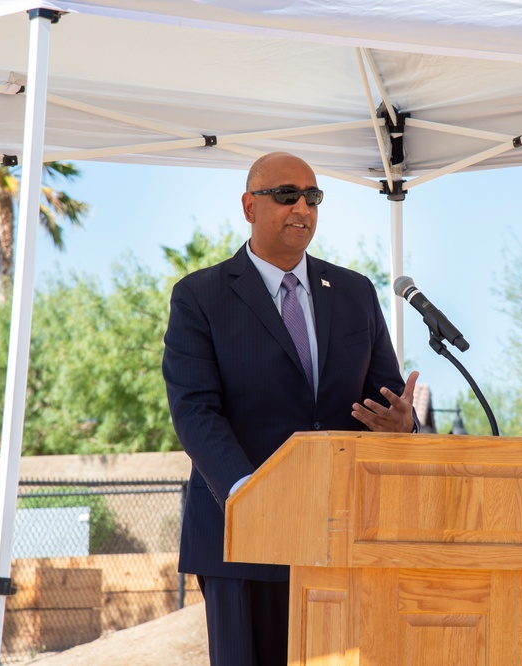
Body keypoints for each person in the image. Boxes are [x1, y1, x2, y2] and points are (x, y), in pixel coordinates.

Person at [162, 152, 418, 666]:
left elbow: (388, 397)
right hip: (241, 535)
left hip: (338, 533)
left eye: (313, 197)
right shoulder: (201, 296)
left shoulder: (354, 292)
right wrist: (252, 495)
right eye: (286, 195)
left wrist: (403, 424)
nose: (302, 207)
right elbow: (195, 412)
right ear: (249, 206)